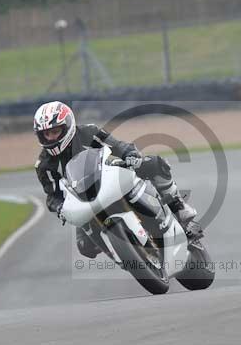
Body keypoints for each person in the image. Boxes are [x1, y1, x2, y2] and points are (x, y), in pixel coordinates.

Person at [34, 101, 198, 258]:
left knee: (155, 163)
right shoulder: (44, 166)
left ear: (68, 126)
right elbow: (52, 196)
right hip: (84, 201)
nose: (51, 138)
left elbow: (118, 146)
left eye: (55, 131)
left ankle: (178, 207)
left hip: (110, 176)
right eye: (46, 134)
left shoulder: (88, 132)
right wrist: (61, 208)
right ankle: (119, 253)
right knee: (85, 247)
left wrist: (131, 156)